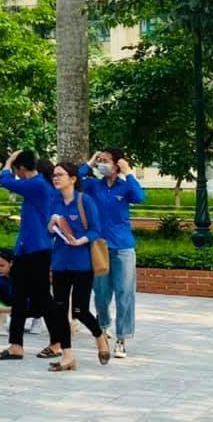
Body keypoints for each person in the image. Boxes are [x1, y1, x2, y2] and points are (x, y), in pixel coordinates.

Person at [40, 162, 110, 371]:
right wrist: (51, 226)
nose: (56, 178)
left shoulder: (85, 201)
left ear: (72, 179)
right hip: (61, 262)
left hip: (82, 264)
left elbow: (96, 230)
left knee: (80, 310)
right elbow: (49, 231)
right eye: (54, 175)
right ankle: (68, 356)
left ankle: (100, 336)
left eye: (60, 175)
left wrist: (81, 240)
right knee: (59, 308)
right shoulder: (54, 201)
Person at [80, 148, 145, 359]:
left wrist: (129, 172)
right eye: (100, 160)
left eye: (106, 161)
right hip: (100, 246)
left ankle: (122, 338)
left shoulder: (125, 186)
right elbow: (75, 178)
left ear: (117, 164)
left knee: (124, 293)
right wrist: (90, 162)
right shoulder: (93, 185)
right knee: (100, 292)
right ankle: (103, 327)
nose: (102, 164)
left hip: (123, 246)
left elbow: (139, 197)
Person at [0, 149, 55, 361]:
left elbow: (5, 180)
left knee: (42, 297)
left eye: (16, 169)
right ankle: (16, 345)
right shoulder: (36, 185)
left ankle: (58, 341)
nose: (16, 173)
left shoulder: (37, 184)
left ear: (21, 168)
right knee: (19, 297)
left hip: (37, 250)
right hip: (26, 249)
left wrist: (8, 160)